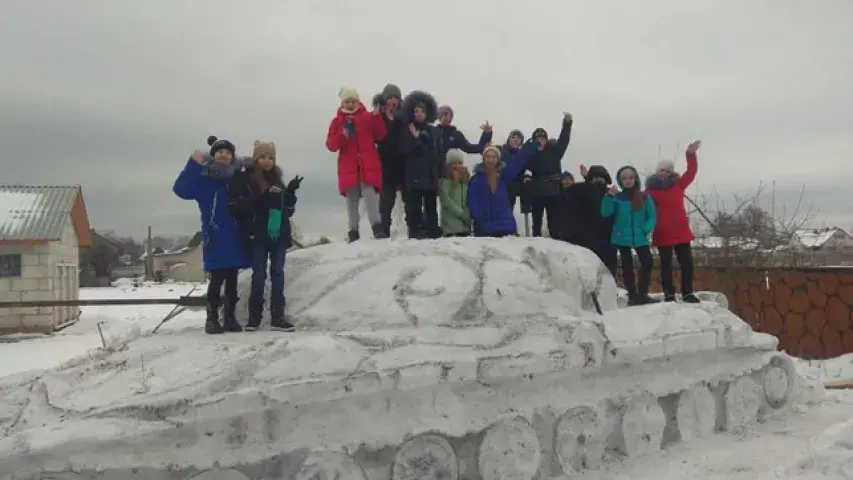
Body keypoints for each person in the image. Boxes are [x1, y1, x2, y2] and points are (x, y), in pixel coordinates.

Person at [173, 135, 250, 334]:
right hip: (215, 235)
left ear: (233, 157)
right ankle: (212, 318)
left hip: (235, 235)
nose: (224, 155)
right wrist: (193, 164)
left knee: (232, 279)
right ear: (212, 156)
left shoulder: (237, 177)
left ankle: (230, 317)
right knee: (216, 279)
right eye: (219, 152)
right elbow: (180, 189)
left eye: (227, 152)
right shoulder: (205, 179)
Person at [228, 141, 302, 331]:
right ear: (255, 158)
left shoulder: (277, 179)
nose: (267, 161)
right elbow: (237, 206)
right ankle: (254, 318)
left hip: (278, 233)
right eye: (263, 157)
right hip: (257, 234)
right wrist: (263, 198)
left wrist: (290, 193)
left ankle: (278, 317)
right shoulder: (246, 178)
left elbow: (287, 210)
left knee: (278, 274)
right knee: (259, 275)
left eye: (271, 157)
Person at [325, 87, 388, 242]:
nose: (351, 104)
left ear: (358, 101)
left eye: (353, 101)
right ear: (342, 103)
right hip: (348, 167)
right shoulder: (337, 121)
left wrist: (377, 118)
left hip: (367, 165)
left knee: (370, 196)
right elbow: (331, 145)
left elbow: (381, 135)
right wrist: (342, 136)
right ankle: (353, 230)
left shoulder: (367, 117)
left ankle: (377, 226)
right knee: (351, 200)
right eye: (347, 101)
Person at [646, 140, 702, 303]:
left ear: (671, 172)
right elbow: (639, 204)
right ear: (657, 172)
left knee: (687, 264)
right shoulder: (650, 190)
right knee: (666, 266)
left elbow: (691, 172)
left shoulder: (678, 184)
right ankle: (669, 294)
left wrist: (690, 155)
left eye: (667, 170)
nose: (664, 172)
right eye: (661, 170)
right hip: (663, 231)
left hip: (681, 231)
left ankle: (687, 293)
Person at [601, 166, 659, 306]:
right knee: (627, 266)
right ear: (621, 181)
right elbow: (605, 213)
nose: (628, 181)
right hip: (621, 236)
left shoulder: (644, 196)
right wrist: (608, 197)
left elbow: (652, 215)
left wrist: (646, 229)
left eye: (630, 178)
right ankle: (633, 296)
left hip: (639, 235)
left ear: (635, 179)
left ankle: (642, 294)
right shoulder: (617, 197)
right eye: (624, 178)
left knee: (647, 262)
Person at [468, 141, 538, 237]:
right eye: (488, 157)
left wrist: (526, 149)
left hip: (505, 227)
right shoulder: (476, 179)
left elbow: (516, 164)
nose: (491, 160)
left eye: (494, 157)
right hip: (484, 227)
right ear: (483, 159)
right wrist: (476, 215)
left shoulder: (503, 175)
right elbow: (472, 198)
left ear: (498, 159)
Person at [399, 90, 443, 239]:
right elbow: (405, 149)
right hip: (413, 173)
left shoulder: (434, 130)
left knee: (431, 204)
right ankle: (415, 230)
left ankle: (432, 229)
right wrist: (415, 138)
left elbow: (437, 152)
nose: (419, 114)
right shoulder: (407, 129)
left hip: (430, 173)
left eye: (422, 111)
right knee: (414, 205)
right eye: (416, 111)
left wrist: (441, 173)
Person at [526, 113, 574, 237]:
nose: (540, 140)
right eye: (537, 138)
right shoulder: (530, 154)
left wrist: (567, 124)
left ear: (546, 140)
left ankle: (556, 244)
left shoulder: (555, 150)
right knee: (536, 223)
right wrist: (526, 177)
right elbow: (523, 168)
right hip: (537, 190)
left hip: (554, 190)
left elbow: (564, 139)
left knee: (554, 224)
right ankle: (536, 243)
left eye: (542, 138)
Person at [565, 165, 617, 276]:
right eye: (595, 177)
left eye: (602, 177)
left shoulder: (612, 194)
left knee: (608, 273)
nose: (599, 180)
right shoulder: (579, 191)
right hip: (585, 238)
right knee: (588, 271)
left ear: (606, 179)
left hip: (607, 239)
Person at [375, 83, 406, 237]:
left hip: (403, 164)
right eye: (390, 98)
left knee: (410, 201)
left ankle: (415, 230)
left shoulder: (405, 117)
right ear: (385, 100)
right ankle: (383, 230)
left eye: (396, 98)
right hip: (385, 164)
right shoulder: (378, 117)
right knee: (386, 200)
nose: (393, 101)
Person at [436, 104, 493, 176]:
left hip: (449, 172)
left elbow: (469, 148)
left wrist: (487, 134)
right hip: (432, 171)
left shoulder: (456, 134)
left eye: (450, 116)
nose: (447, 118)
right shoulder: (433, 132)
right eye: (445, 114)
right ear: (439, 116)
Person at [438, 149, 471, 237]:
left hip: (463, 219)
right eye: (453, 163)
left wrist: (466, 214)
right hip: (450, 218)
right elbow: (446, 202)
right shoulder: (445, 182)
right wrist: (461, 213)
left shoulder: (465, 181)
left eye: (459, 163)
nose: (457, 166)